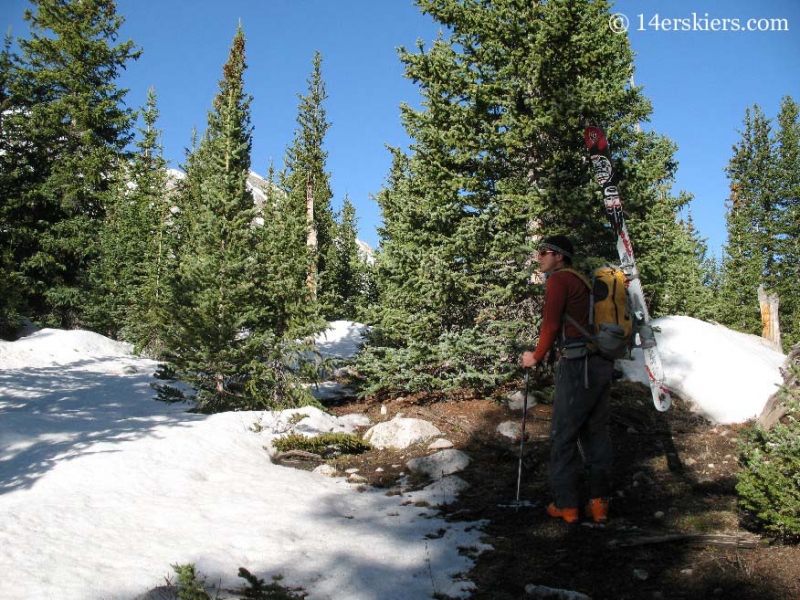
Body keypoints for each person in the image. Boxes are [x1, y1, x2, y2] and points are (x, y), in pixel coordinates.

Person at [521, 234, 614, 524]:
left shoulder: (559, 280)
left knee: (563, 436)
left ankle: (567, 506)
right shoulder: (581, 280)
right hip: (599, 363)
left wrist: (535, 356)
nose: (539, 258)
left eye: (544, 253)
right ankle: (599, 505)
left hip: (576, 367)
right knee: (596, 434)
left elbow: (550, 323)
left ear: (559, 256)